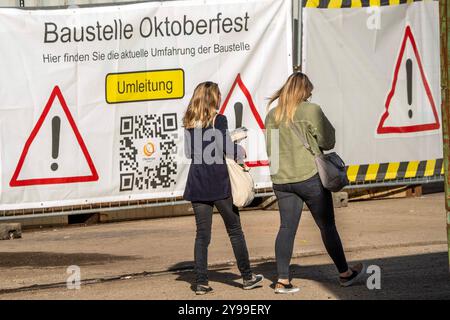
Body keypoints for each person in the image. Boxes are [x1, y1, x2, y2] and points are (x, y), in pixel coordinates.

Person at [264, 72, 365, 294]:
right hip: (309, 177)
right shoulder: (311, 110)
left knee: (286, 228)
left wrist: (279, 177)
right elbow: (328, 141)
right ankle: (345, 273)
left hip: (282, 180)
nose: (311, 93)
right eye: (309, 90)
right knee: (327, 226)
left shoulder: (273, 114)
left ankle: (282, 280)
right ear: (303, 90)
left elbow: (272, 150)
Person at [183, 81, 264, 295]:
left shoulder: (189, 121)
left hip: (197, 181)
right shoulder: (219, 120)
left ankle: (201, 282)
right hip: (218, 182)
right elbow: (225, 148)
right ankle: (247, 277)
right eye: (218, 94)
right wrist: (239, 149)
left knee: (202, 235)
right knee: (235, 230)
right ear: (212, 97)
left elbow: (189, 152)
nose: (220, 97)